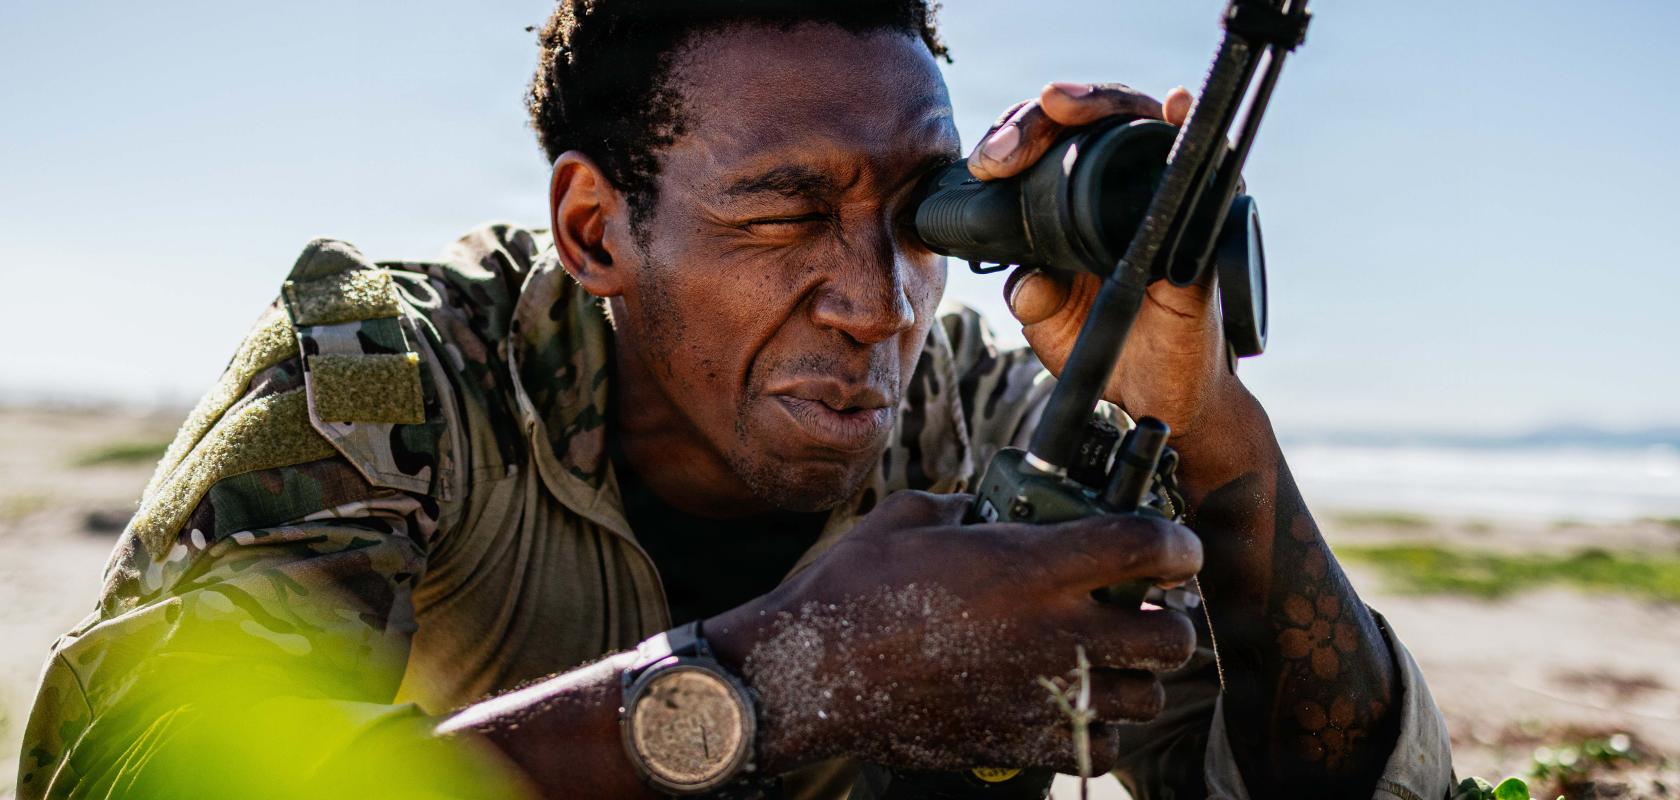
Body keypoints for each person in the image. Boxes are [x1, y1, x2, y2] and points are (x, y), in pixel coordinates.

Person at [17, 2, 1455, 798]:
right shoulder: (393, 378)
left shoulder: (985, 417)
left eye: (921, 217)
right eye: (783, 217)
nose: (880, 296)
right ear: (595, 231)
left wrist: (1211, 431)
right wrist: (781, 679)